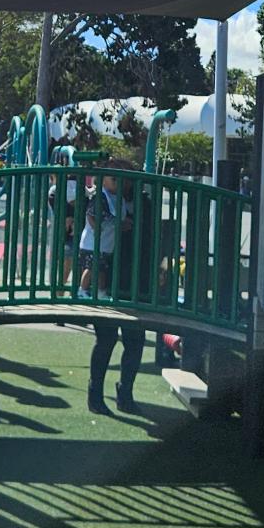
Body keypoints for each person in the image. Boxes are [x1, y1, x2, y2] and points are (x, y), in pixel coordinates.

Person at [81, 165, 145, 415]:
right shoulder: (110, 200)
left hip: (131, 279)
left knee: (133, 339)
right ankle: (98, 392)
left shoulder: (135, 201)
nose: (121, 184)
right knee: (108, 338)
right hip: (121, 276)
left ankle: (123, 391)